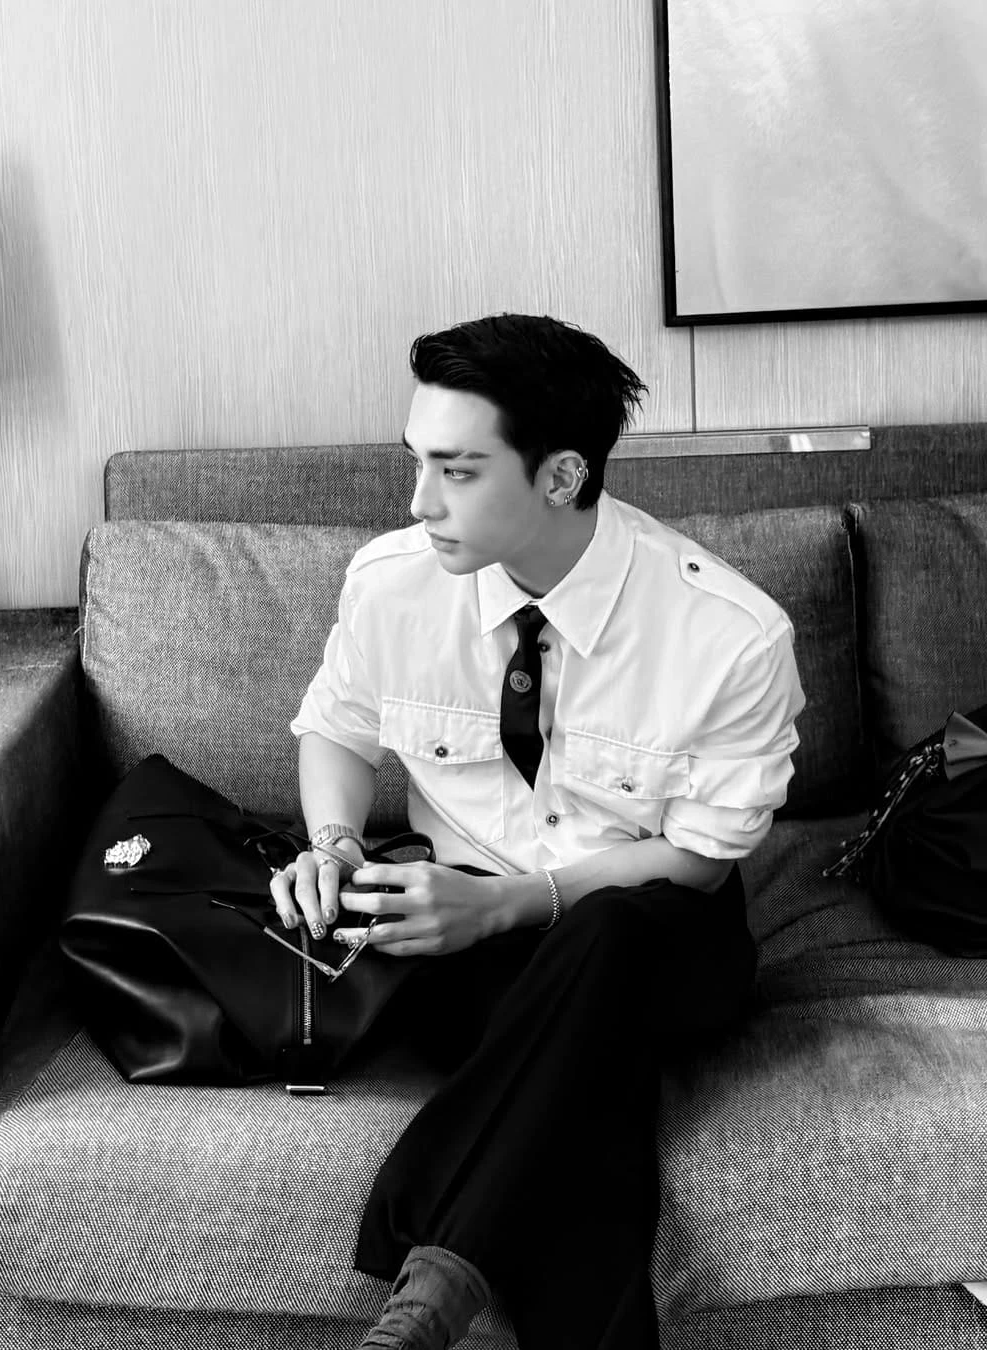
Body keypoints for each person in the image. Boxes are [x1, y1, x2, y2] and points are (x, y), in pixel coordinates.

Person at [277, 313, 806, 1350]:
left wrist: (512, 904)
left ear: (562, 476)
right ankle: (431, 1309)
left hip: (657, 934)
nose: (419, 501)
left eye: (457, 471)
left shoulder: (730, 636)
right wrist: (334, 842)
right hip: (464, 948)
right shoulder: (391, 584)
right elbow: (335, 728)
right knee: (585, 1093)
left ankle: (427, 1277)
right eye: (417, 462)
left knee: (602, 942)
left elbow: (699, 863)